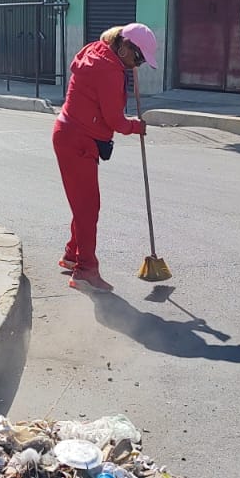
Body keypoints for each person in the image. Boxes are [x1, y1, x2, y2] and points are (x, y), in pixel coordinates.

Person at [52, 22, 158, 292]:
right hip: (78, 142)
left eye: (143, 61)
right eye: (139, 59)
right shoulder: (109, 71)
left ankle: (71, 254)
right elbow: (115, 121)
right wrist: (137, 126)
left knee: (83, 204)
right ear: (124, 48)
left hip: (71, 136)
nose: (139, 65)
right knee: (88, 207)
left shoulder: (98, 51)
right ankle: (85, 270)